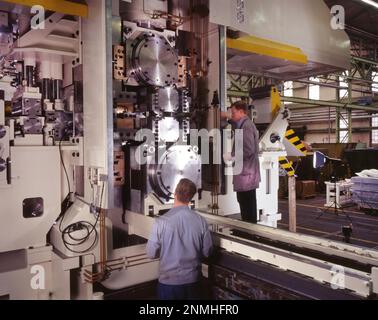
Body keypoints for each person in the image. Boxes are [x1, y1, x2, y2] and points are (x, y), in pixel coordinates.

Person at [146, 178, 213, 300]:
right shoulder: (201, 221)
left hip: (169, 284)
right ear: (191, 197)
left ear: (175, 194)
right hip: (194, 282)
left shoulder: (161, 222)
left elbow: (150, 253)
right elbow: (207, 252)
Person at [223, 101, 261, 223]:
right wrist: (226, 116)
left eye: (233, 112)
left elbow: (249, 150)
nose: (232, 115)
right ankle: (248, 231)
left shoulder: (246, 126)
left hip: (247, 175)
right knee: (244, 203)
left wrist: (232, 156)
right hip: (244, 174)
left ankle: (250, 234)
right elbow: (234, 123)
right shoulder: (242, 124)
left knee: (248, 207)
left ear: (241, 112)